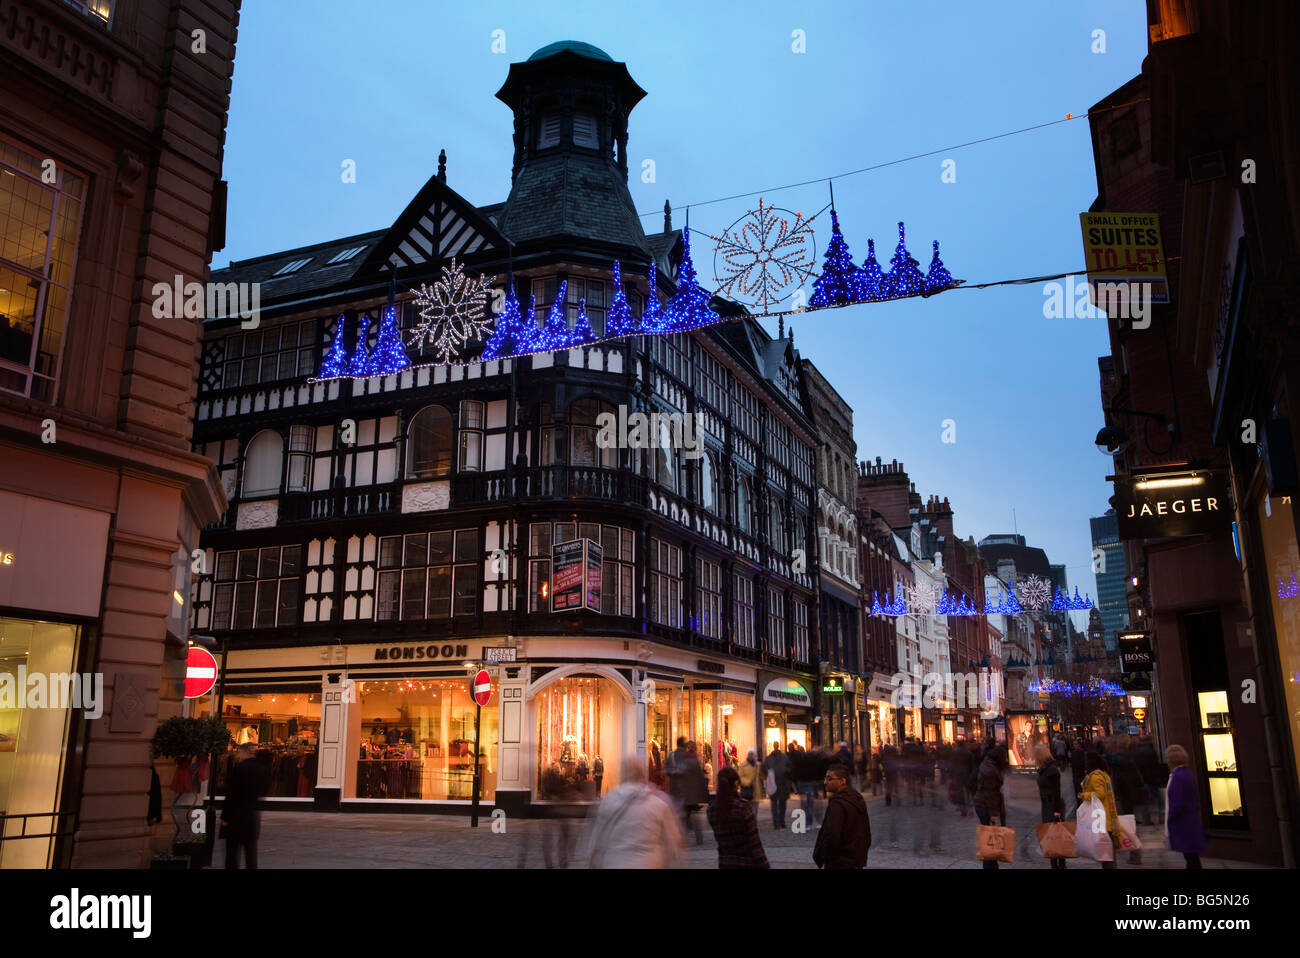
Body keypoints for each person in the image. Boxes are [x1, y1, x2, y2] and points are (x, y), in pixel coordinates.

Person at [586, 757, 686, 868]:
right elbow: (673, 840)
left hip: (616, 862)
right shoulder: (658, 803)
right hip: (649, 863)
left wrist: (592, 861)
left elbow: (596, 839)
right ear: (643, 775)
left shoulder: (608, 802)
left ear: (622, 775)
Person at [706, 766, 769, 868]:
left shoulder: (712, 810)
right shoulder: (743, 807)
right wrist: (764, 865)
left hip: (725, 863)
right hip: (746, 863)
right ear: (736, 784)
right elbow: (754, 843)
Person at [812, 763, 870, 869]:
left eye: (829, 779)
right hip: (855, 860)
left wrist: (826, 857)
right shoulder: (856, 798)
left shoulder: (838, 804)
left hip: (840, 862)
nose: (825, 782)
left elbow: (832, 836)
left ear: (842, 781)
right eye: (825, 778)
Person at [221, 743, 267, 869]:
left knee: (232, 852)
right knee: (250, 852)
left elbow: (232, 794)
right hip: (252, 815)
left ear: (246, 752)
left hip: (236, 815)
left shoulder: (239, 768)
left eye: (239, 752)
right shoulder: (261, 769)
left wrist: (225, 817)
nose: (238, 755)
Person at [1164, 745, 1207, 869]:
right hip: (1189, 820)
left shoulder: (1178, 777)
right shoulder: (1186, 774)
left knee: (1190, 856)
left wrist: (1171, 819)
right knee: (1191, 856)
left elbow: (1178, 802)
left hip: (1184, 822)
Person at [1079, 752, 1121, 869]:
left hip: (1102, 819)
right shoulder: (1104, 775)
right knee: (1108, 855)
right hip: (1106, 817)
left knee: (1106, 856)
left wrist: (1084, 795)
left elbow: (1100, 794)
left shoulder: (1095, 776)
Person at [1107, 737, 1145, 864]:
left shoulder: (1118, 760)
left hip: (1125, 798)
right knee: (1129, 826)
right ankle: (1133, 852)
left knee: (1128, 827)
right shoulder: (1130, 758)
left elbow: (1121, 781)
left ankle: (1134, 853)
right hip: (1131, 797)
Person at [972, 744, 1007, 870]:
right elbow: (990, 794)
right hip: (985, 805)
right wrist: (993, 813)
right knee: (989, 836)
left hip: (981, 803)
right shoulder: (991, 771)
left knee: (989, 835)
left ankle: (992, 863)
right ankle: (989, 864)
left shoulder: (987, 764)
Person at [1034, 743, 1066, 870]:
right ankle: (1054, 863)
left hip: (1053, 805)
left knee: (1057, 836)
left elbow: (1057, 791)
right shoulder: (1043, 769)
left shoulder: (1052, 770)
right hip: (1046, 805)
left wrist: (1057, 810)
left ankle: (1060, 864)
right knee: (1050, 835)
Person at [679, 741, 709, 845]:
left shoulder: (684, 760)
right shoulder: (695, 760)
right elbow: (700, 777)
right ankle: (699, 839)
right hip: (694, 794)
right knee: (695, 817)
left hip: (686, 794)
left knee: (685, 817)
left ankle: (683, 839)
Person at [793, 744, 826, 826]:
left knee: (805, 804)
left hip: (804, 782)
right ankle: (818, 822)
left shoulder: (801, 760)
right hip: (814, 782)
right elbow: (822, 770)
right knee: (816, 803)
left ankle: (808, 823)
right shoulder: (817, 759)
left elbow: (796, 771)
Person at [761, 743, 793, 829]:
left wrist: (786, 771)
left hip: (783, 783)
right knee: (774, 804)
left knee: (782, 804)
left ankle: (781, 821)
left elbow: (790, 768)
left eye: (776, 745)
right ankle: (776, 823)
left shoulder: (784, 757)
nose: (775, 747)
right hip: (773, 784)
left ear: (778, 746)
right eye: (774, 745)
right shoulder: (769, 758)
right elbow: (763, 769)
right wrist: (768, 774)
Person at [948, 739, 974, 817]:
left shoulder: (954, 752)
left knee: (960, 791)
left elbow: (951, 764)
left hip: (957, 774)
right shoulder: (968, 753)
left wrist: (950, 775)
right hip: (967, 774)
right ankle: (969, 807)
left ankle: (963, 809)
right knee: (968, 791)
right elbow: (972, 765)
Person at [1069, 739, 1086, 806]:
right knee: (1077, 789)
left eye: (1076, 744)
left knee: (1080, 789)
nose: (1074, 745)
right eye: (1074, 744)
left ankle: (1081, 803)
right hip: (1076, 773)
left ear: (1079, 744)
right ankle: (1079, 803)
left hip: (1080, 773)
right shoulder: (1074, 752)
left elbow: (1077, 763)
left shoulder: (1080, 752)